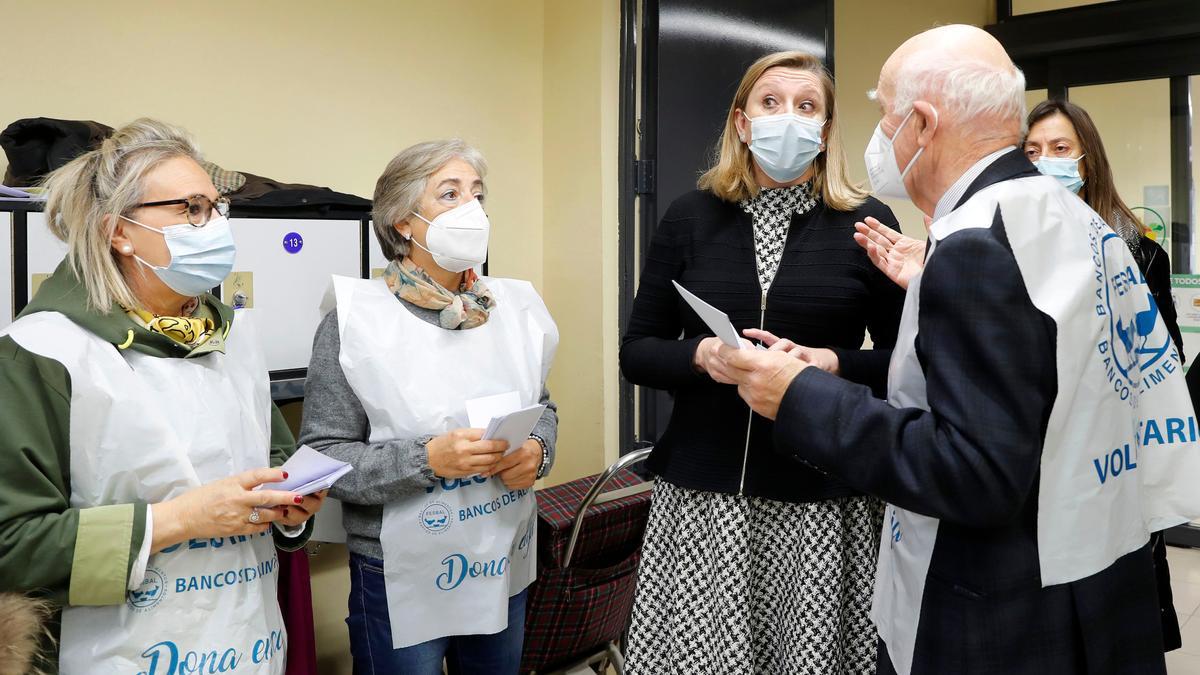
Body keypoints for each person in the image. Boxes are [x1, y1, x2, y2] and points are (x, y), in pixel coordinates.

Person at [717, 25, 1200, 675]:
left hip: (1005, 617)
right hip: (1096, 578)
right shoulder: (1065, 218)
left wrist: (801, 396)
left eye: (884, 114)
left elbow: (976, 470)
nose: (880, 137)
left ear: (921, 124)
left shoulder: (979, 243)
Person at [861, 96, 1191, 653]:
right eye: (1031, 151)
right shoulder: (988, 243)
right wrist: (931, 279)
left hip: (1098, 491)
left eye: (1061, 149)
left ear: (1088, 160)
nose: (1045, 162)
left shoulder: (1130, 252)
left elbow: (1157, 359)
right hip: (1031, 511)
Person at [0, 119, 324, 673]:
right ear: (117, 231)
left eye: (217, 206)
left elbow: (272, 461)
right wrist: (181, 520)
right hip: (118, 652)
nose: (216, 223)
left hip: (248, 642)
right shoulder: (42, 353)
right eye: (191, 208)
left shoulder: (232, 336)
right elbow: (13, 545)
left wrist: (291, 507)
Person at [619, 50, 906, 673]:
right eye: (770, 103)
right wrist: (701, 354)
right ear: (741, 122)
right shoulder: (689, 217)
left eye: (806, 107)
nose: (788, 119)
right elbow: (637, 351)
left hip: (821, 499)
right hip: (705, 500)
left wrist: (831, 364)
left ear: (825, 131)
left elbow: (907, 363)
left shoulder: (867, 223)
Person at [299, 139, 558, 675]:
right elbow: (322, 457)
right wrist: (426, 460)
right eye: (449, 194)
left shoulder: (514, 311)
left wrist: (538, 448)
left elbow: (544, 408)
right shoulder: (353, 322)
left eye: (477, 195)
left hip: (499, 554)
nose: (472, 210)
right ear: (402, 222)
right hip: (400, 570)